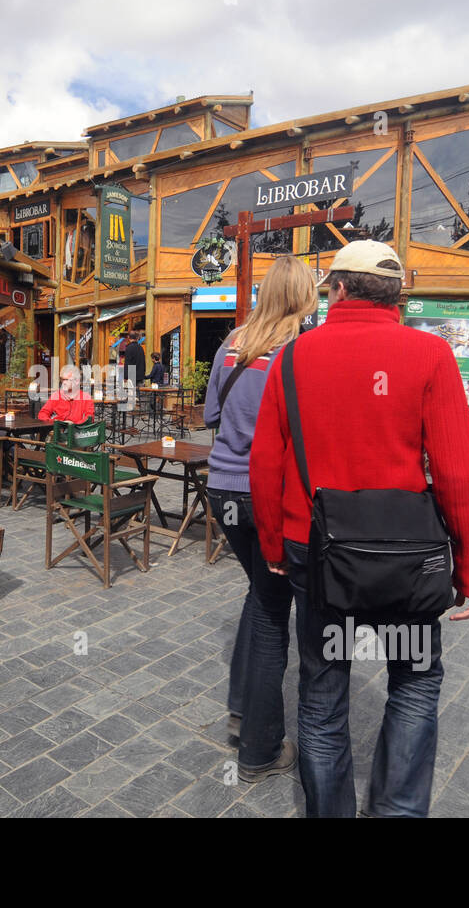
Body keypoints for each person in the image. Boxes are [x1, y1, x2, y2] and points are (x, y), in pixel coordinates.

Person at [250, 240, 469, 817]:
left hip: (317, 551)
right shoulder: (431, 355)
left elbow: (266, 461)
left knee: (323, 690)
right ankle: (397, 811)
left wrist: (273, 545)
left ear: (337, 290)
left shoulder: (292, 357)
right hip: (408, 559)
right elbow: (458, 472)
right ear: (397, 294)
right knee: (413, 680)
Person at [203, 255, 317, 780]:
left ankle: (240, 711)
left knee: (260, 596)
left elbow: (210, 416)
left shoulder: (234, 343)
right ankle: (260, 748)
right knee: (274, 613)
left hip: (223, 489)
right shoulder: (301, 351)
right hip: (269, 496)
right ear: (304, 296)